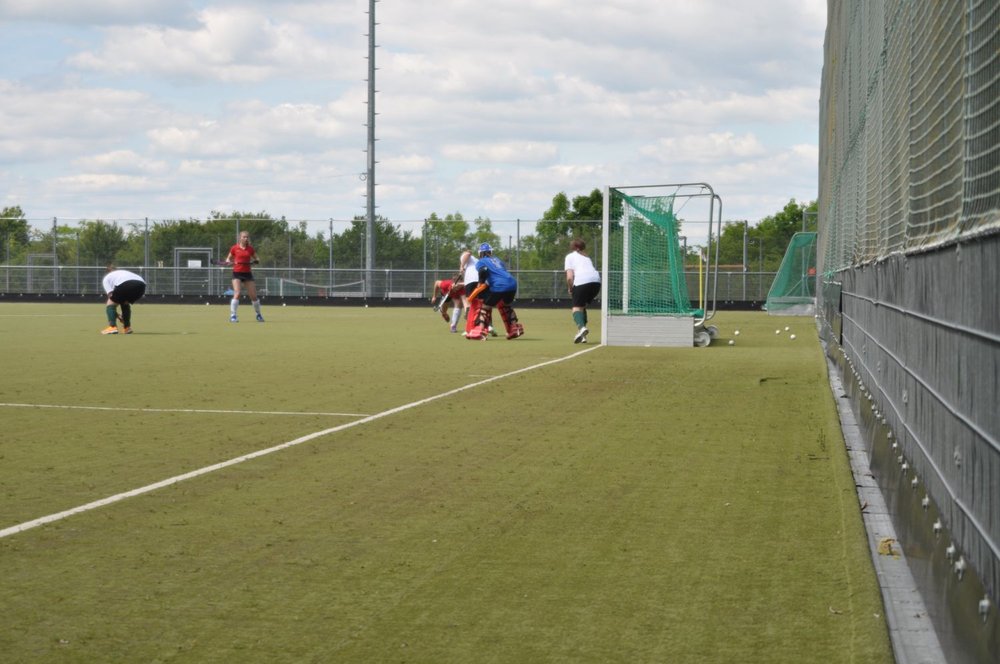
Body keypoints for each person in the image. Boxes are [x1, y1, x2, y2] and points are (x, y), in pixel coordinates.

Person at [466, 243, 524, 340]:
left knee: (485, 307)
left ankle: (479, 330)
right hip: (512, 284)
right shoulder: (498, 260)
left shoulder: (481, 261)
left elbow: (483, 270)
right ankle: (514, 328)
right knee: (506, 307)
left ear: (480, 253)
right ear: (490, 252)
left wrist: (480, 283)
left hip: (499, 285)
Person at [564, 238, 601, 343]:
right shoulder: (587, 257)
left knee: (576, 308)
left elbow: (569, 277)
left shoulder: (570, 256)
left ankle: (581, 328)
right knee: (582, 306)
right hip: (596, 282)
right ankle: (583, 335)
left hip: (582, 281)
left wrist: (570, 288)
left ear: (574, 247)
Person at [224, 231, 264, 323]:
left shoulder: (250, 249)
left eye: (247, 237)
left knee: (253, 296)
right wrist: (228, 262)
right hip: (237, 273)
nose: (246, 239)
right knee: (237, 293)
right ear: (240, 238)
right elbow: (228, 258)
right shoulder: (234, 248)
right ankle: (233, 315)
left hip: (247, 274)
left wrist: (256, 261)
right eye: (244, 237)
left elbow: (257, 258)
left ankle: (258, 314)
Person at [101, 266, 146, 335]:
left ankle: (112, 327)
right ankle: (127, 328)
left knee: (110, 303)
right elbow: (119, 297)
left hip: (126, 284)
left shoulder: (106, 278)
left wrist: (117, 315)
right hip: (141, 285)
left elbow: (111, 296)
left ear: (107, 273)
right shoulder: (123, 272)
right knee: (125, 302)